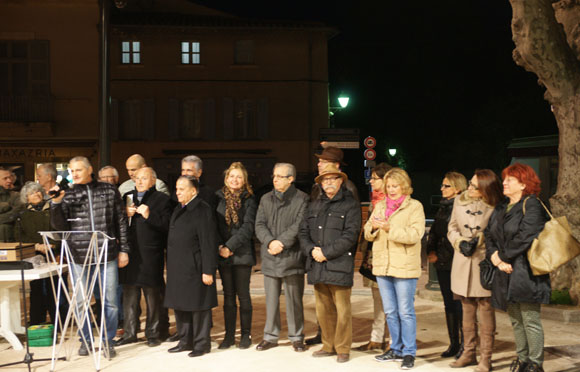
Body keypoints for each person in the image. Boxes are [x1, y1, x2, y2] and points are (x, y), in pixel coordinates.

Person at [50, 156, 130, 358]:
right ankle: (85, 340)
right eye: (71, 171)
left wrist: (124, 250)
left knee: (110, 301)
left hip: (107, 254)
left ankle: (107, 340)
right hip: (79, 256)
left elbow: (120, 221)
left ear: (89, 169)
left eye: (78, 170)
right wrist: (56, 204)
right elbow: (60, 228)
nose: (74, 174)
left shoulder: (109, 190)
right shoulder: (67, 195)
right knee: (80, 301)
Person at [485, 163, 550, 372]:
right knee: (515, 320)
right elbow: (489, 235)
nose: (504, 183)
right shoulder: (501, 207)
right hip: (505, 271)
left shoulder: (532, 205)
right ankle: (522, 360)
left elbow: (525, 237)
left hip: (526, 271)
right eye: (504, 179)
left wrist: (502, 258)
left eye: (509, 180)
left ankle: (535, 364)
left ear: (523, 184)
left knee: (530, 319)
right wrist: (496, 260)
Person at [298, 165, 361, 363]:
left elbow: (350, 235)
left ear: (341, 181)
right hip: (318, 263)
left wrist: (326, 252)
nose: (329, 183)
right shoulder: (314, 204)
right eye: (325, 180)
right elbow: (303, 232)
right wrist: (311, 250)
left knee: (343, 310)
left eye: (333, 179)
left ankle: (342, 348)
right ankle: (328, 345)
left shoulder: (350, 204)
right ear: (321, 184)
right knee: (323, 309)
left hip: (339, 263)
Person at [365, 168, 425, 370]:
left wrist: (390, 229)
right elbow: (367, 232)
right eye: (388, 186)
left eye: (395, 186)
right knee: (390, 311)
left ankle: (409, 352)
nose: (391, 190)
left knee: (405, 311)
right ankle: (395, 348)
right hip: (383, 265)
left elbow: (415, 235)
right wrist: (373, 227)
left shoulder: (414, 206)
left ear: (404, 186)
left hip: (405, 267)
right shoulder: (380, 206)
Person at [447, 169, 504, 372]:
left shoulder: (496, 206)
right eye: (470, 184)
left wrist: (480, 241)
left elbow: (498, 235)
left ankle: (485, 358)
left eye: (474, 186)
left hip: (484, 262)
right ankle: (468, 353)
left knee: (486, 311)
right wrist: (459, 242)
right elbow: (451, 228)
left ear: (485, 189)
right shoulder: (459, 202)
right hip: (462, 261)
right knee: (466, 310)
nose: (469, 188)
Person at [254, 163, 309, 352]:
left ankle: (296, 336)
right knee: (271, 301)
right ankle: (270, 336)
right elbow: (259, 224)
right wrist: (270, 242)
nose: (275, 179)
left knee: (294, 300)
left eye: (280, 176)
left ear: (291, 179)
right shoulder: (265, 199)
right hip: (270, 255)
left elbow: (299, 225)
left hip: (291, 256)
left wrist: (282, 243)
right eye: (274, 175)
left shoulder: (302, 199)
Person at [116, 167, 172, 347]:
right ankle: (130, 333)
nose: (139, 181)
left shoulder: (162, 199)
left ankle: (154, 333)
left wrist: (149, 215)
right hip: (130, 253)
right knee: (129, 295)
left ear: (153, 181)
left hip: (151, 253)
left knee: (152, 296)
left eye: (144, 178)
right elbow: (117, 225)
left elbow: (167, 226)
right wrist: (124, 214)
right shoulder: (127, 198)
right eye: (137, 178)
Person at [164, 175, 218, 357]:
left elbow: (208, 242)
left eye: (181, 189)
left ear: (193, 191)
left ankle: (201, 344)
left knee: (199, 306)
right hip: (179, 268)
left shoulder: (202, 209)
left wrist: (208, 270)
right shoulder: (180, 208)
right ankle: (185, 340)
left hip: (196, 267)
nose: (177, 192)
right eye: (177, 189)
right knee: (181, 304)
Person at [215, 162, 257, 350]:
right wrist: (220, 247)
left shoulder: (249, 199)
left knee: (244, 296)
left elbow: (248, 228)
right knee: (229, 297)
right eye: (232, 176)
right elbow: (213, 225)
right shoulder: (217, 198)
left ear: (244, 180)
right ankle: (229, 335)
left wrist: (230, 247)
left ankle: (246, 334)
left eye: (239, 177)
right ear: (226, 179)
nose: (235, 179)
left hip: (242, 253)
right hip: (223, 252)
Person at [426, 171, 467, 359]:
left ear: (458, 188)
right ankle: (454, 343)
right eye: (442, 185)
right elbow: (434, 232)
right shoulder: (443, 207)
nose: (442, 189)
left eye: (446, 186)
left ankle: (466, 344)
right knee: (448, 304)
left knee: (460, 304)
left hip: (457, 261)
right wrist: (431, 250)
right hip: (443, 262)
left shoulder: (462, 207)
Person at [356, 162, 391, 352]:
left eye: (375, 178)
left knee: (391, 302)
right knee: (377, 299)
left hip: (388, 258)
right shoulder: (374, 202)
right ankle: (376, 339)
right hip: (372, 258)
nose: (371, 181)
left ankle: (394, 342)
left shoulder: (394, 203)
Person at [17, 182, 57, 325]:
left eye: (38, 191)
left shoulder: (53, 209)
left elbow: (60, 229)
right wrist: (36, 246)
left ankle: (58, 321)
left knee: (55, 290)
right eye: (32, 193)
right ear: (26, 198)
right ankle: (37, 322)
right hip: (33, 255)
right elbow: (19, 236)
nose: (37, 194)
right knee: (37, 289)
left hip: (54, 253)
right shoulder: (22, 215)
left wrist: (52, 245)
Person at [0, 166, 22, 242]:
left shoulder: (16, 195)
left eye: (10, 178)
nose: (9, 181)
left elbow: (18, 212)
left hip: (11, 239)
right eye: (5, 178)